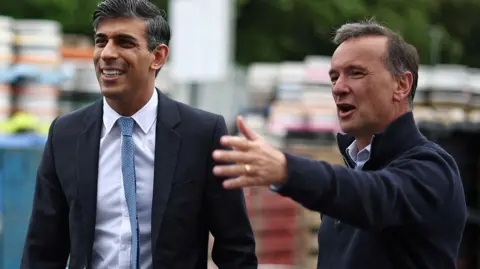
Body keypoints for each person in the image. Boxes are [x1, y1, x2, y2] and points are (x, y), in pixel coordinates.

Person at [212, 19, 467, 269]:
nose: (338, 88)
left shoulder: (433, 169)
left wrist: (286, 169)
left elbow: (373, 196)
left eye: (356, 73)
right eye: (334, 77)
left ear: (401, 85)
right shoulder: (354, 170)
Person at [21, 0, 257, 269]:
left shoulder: (202, 135)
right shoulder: (65, 134)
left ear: (157, 56)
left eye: (124, 42)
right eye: (101, 41)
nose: (107, 53)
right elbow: (42, 249)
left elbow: (236, 249)